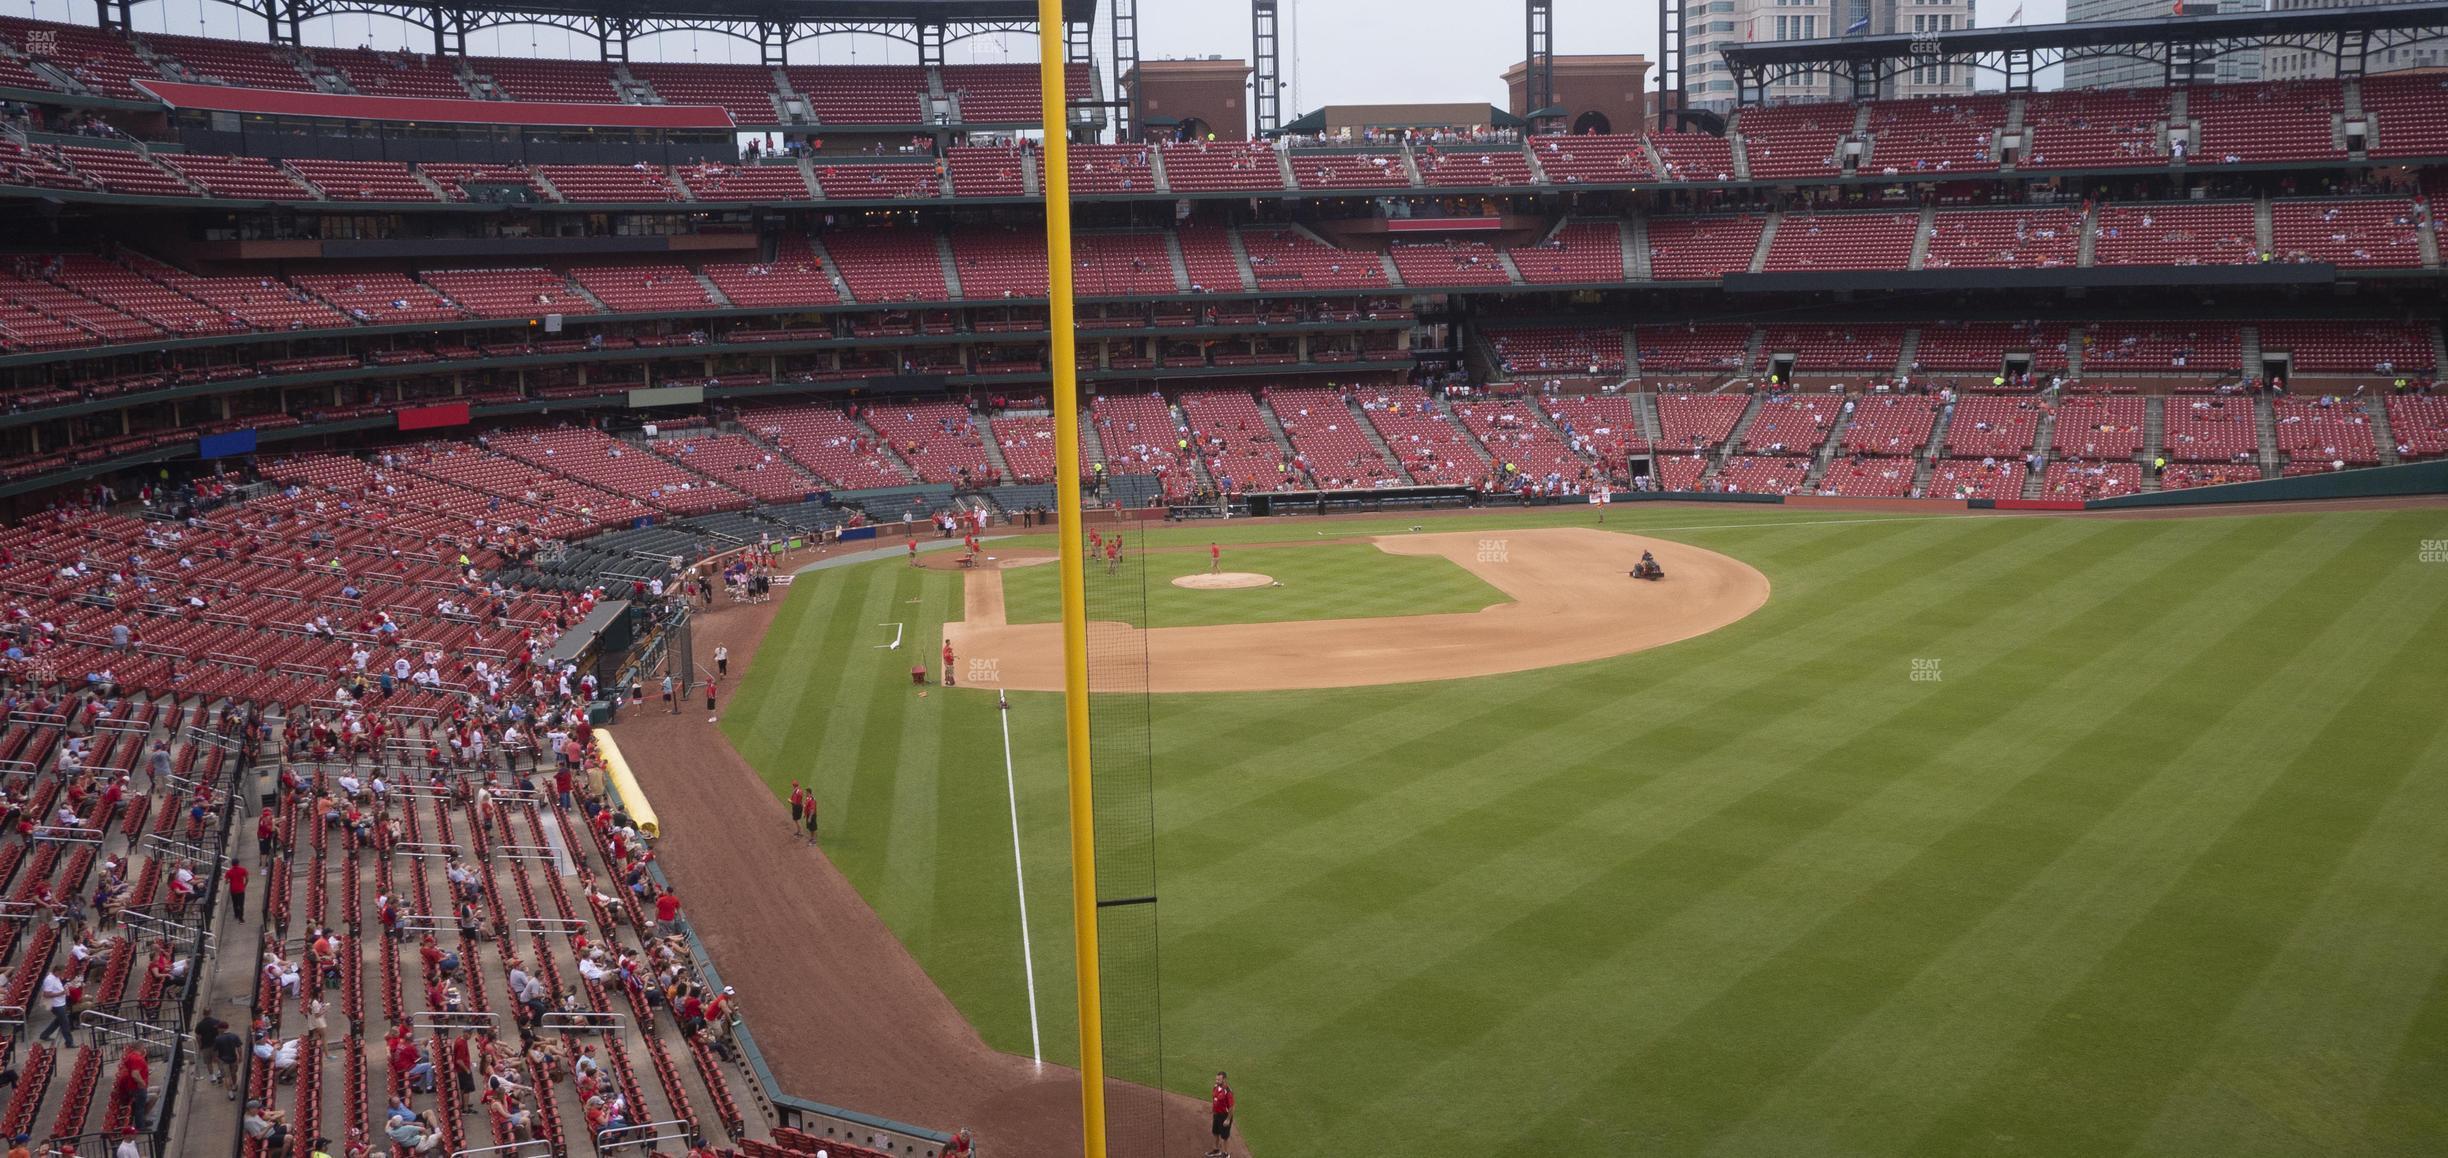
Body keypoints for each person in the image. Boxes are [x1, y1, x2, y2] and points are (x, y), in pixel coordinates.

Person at [1207, 1072, 1235, 1157]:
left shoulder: (1228, 1091)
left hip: (1224, 1116)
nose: (1217, 1081)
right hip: (1217, 1114)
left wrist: (1228, 1119)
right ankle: (1216, 1150)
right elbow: (1215, 1099)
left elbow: (1232, 1107)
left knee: (1224, 1137)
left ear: (1224, 1079)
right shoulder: (1215, 1087)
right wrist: (1213, 1110)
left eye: (1219, 1079)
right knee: (1215, 1132)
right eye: (1216, 1079)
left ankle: (1226, 1154)